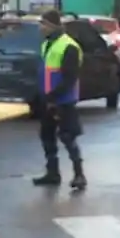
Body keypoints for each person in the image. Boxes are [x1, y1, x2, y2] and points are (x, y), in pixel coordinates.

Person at [31, 11, 87, 190]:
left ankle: (79, 175)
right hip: (48, 99)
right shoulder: (47, 44)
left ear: (53, 26)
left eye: (43, 24)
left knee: (68, 137)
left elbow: (69, 78)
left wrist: (54, 97)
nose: (41, 28)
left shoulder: (69, 46)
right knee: (47, 136)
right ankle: (52, 173)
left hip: (63, 100)